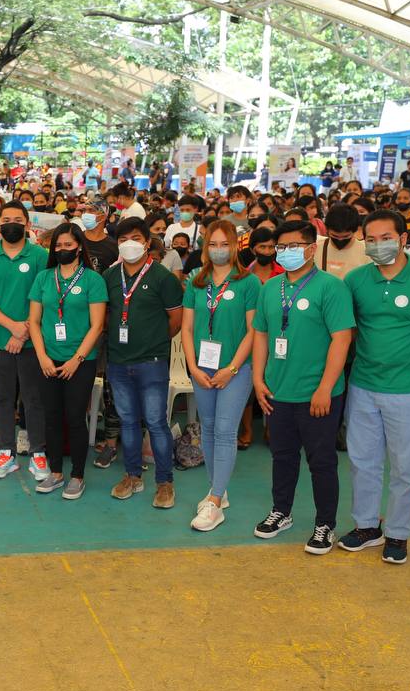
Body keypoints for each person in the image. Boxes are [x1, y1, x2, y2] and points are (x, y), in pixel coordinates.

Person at [339, 211, 410, 563]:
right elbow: (349, 330)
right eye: (371, 240)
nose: (378, 245)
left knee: (405, 467)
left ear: (403, 239)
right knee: (363, 461)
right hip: (363, 385)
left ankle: (398, 534)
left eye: (386, 238)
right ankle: (366, 526)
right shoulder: (355, 280)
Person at [251, 220, 355, 554]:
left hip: (317, 394)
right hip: (278, 390)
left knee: (321, 461)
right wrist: (258, 379)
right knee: (282, 456)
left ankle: (326, 524)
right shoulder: (270, 287)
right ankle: (281, 511)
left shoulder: (331, 287)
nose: (286, 252)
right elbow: (261, 334)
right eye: (281, 247)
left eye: (293, 246)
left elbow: (341, 339)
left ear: (311, 248)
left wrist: (325, 387)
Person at [181, 220, 259, 531]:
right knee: (210, 428)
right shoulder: (196, 282)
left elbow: (253, 330)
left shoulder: (248, 283)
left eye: (224, 244)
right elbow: (187, 328)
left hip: (235, 368)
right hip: (202, 367)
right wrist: (193, 367)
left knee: (226, 431)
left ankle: (214, 501)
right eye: (212, 244)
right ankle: (218, 491)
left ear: (235, 246)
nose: (218, 250)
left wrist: (232, 368)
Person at [104, 217, 183, 507]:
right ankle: (132, 476)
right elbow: (106, 316)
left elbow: (176, 320)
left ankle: (165, 483)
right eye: (123, 239)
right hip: (118, 361)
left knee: (156, 422)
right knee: (127, 421)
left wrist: (153, 342)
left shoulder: (163, 277)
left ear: (148, 242)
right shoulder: (110, 277)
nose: (129, 244)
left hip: (152, 362)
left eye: (136, 238)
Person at [27, 223, 107, 499]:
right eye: (58, 246)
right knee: (51, 417)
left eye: (68, 245)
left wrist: (77, 359)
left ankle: (77, 476)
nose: (63, 250)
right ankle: (56, 472)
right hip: (48, 359)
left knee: (74, 417)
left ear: (79, 247)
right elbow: (34, 322)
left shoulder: (92, 280)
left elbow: (97, 326)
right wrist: (42, 356)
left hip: (80, 361)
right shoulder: (44, 278)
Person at [0, 201, 50, 480]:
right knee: (3, 399)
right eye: (6, 220)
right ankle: (6, 452)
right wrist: (12, 328)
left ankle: (38, 453)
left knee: (34, 399)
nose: (11, 224)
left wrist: (24, 330)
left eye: (18, 219)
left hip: (33, 343)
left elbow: (46, 297)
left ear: (28, 224)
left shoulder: (40, 256)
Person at [313, 204, 370, 280]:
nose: (340, 240)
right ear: (327, 230)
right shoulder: (316, 248)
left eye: (346, 236)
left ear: (355, 231)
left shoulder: (366, 251)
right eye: (335, 236)